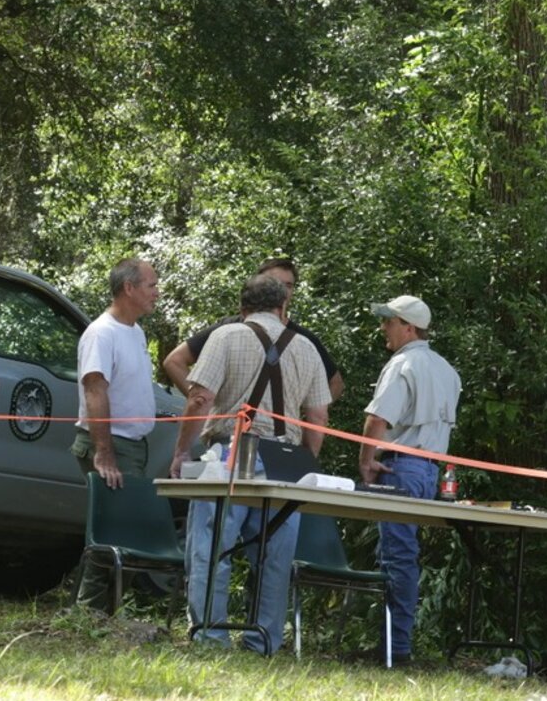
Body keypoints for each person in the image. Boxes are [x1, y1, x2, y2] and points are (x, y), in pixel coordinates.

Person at [168, 274, 332, 654]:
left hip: (231, 453)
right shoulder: (306, 347)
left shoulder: (225, 337)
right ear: (282, 308)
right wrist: (306, 463)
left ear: (243, 308)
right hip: (286, 461)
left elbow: (198, 399)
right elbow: (318, 416)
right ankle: (264, 641)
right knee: (274, 556)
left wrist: (180, 452)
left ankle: (211, 635)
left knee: (211, 548)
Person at [358, 295, 461, 665]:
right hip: (428, 471)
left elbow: (378, 420)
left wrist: (367, 461)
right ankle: (395, 644)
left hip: (400, 466)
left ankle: (395, 649)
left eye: (389, 321)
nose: (383, 327)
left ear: (409, 327)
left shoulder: (402, 363)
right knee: (404, 557)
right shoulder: (447, 369)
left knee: (397, 558)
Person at [71, 258, 161, 612]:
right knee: (114, 532)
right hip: (111, 445)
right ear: (129, 288)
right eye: (151, 285)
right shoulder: (101, 332)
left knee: (118, 531)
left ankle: (96, 613)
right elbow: (95, 390)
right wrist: (104, 452)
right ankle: (88, 615)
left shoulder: (136, 332)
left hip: (133, 445)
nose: (157, 293)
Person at [163, 257, 344, 403]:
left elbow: (335, 383)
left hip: (282, 436)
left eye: (288, 285)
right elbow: (175, 361)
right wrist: (203, 403)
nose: (281, 290)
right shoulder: (227, 329)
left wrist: (305, 417)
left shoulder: (304, 339)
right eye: (275, 282)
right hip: (228, 433)